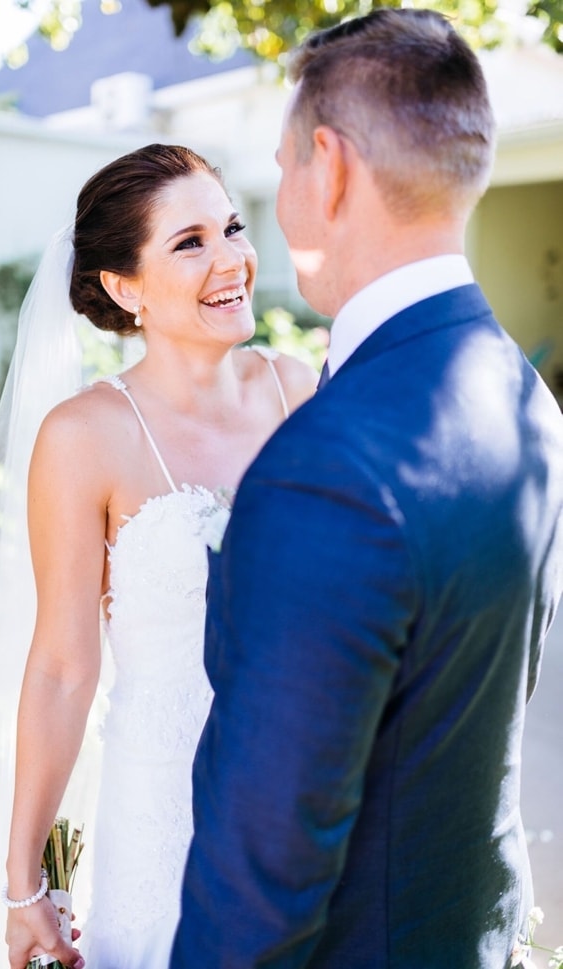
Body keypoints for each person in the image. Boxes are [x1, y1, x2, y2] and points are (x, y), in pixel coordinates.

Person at [172, 10, 563, 967]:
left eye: (281, 166)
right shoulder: (526, 397)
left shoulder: (330, 470)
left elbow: (260, 889)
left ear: (331, 165)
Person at [0, 144, 317, 969]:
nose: (232, 258)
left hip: (311, 800)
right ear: (123, 287)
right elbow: (63, 666)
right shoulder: (84, 437)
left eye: (232, 228)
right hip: (165, 818)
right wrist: (24, 879)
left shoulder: (299, 390)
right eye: (190, 242)